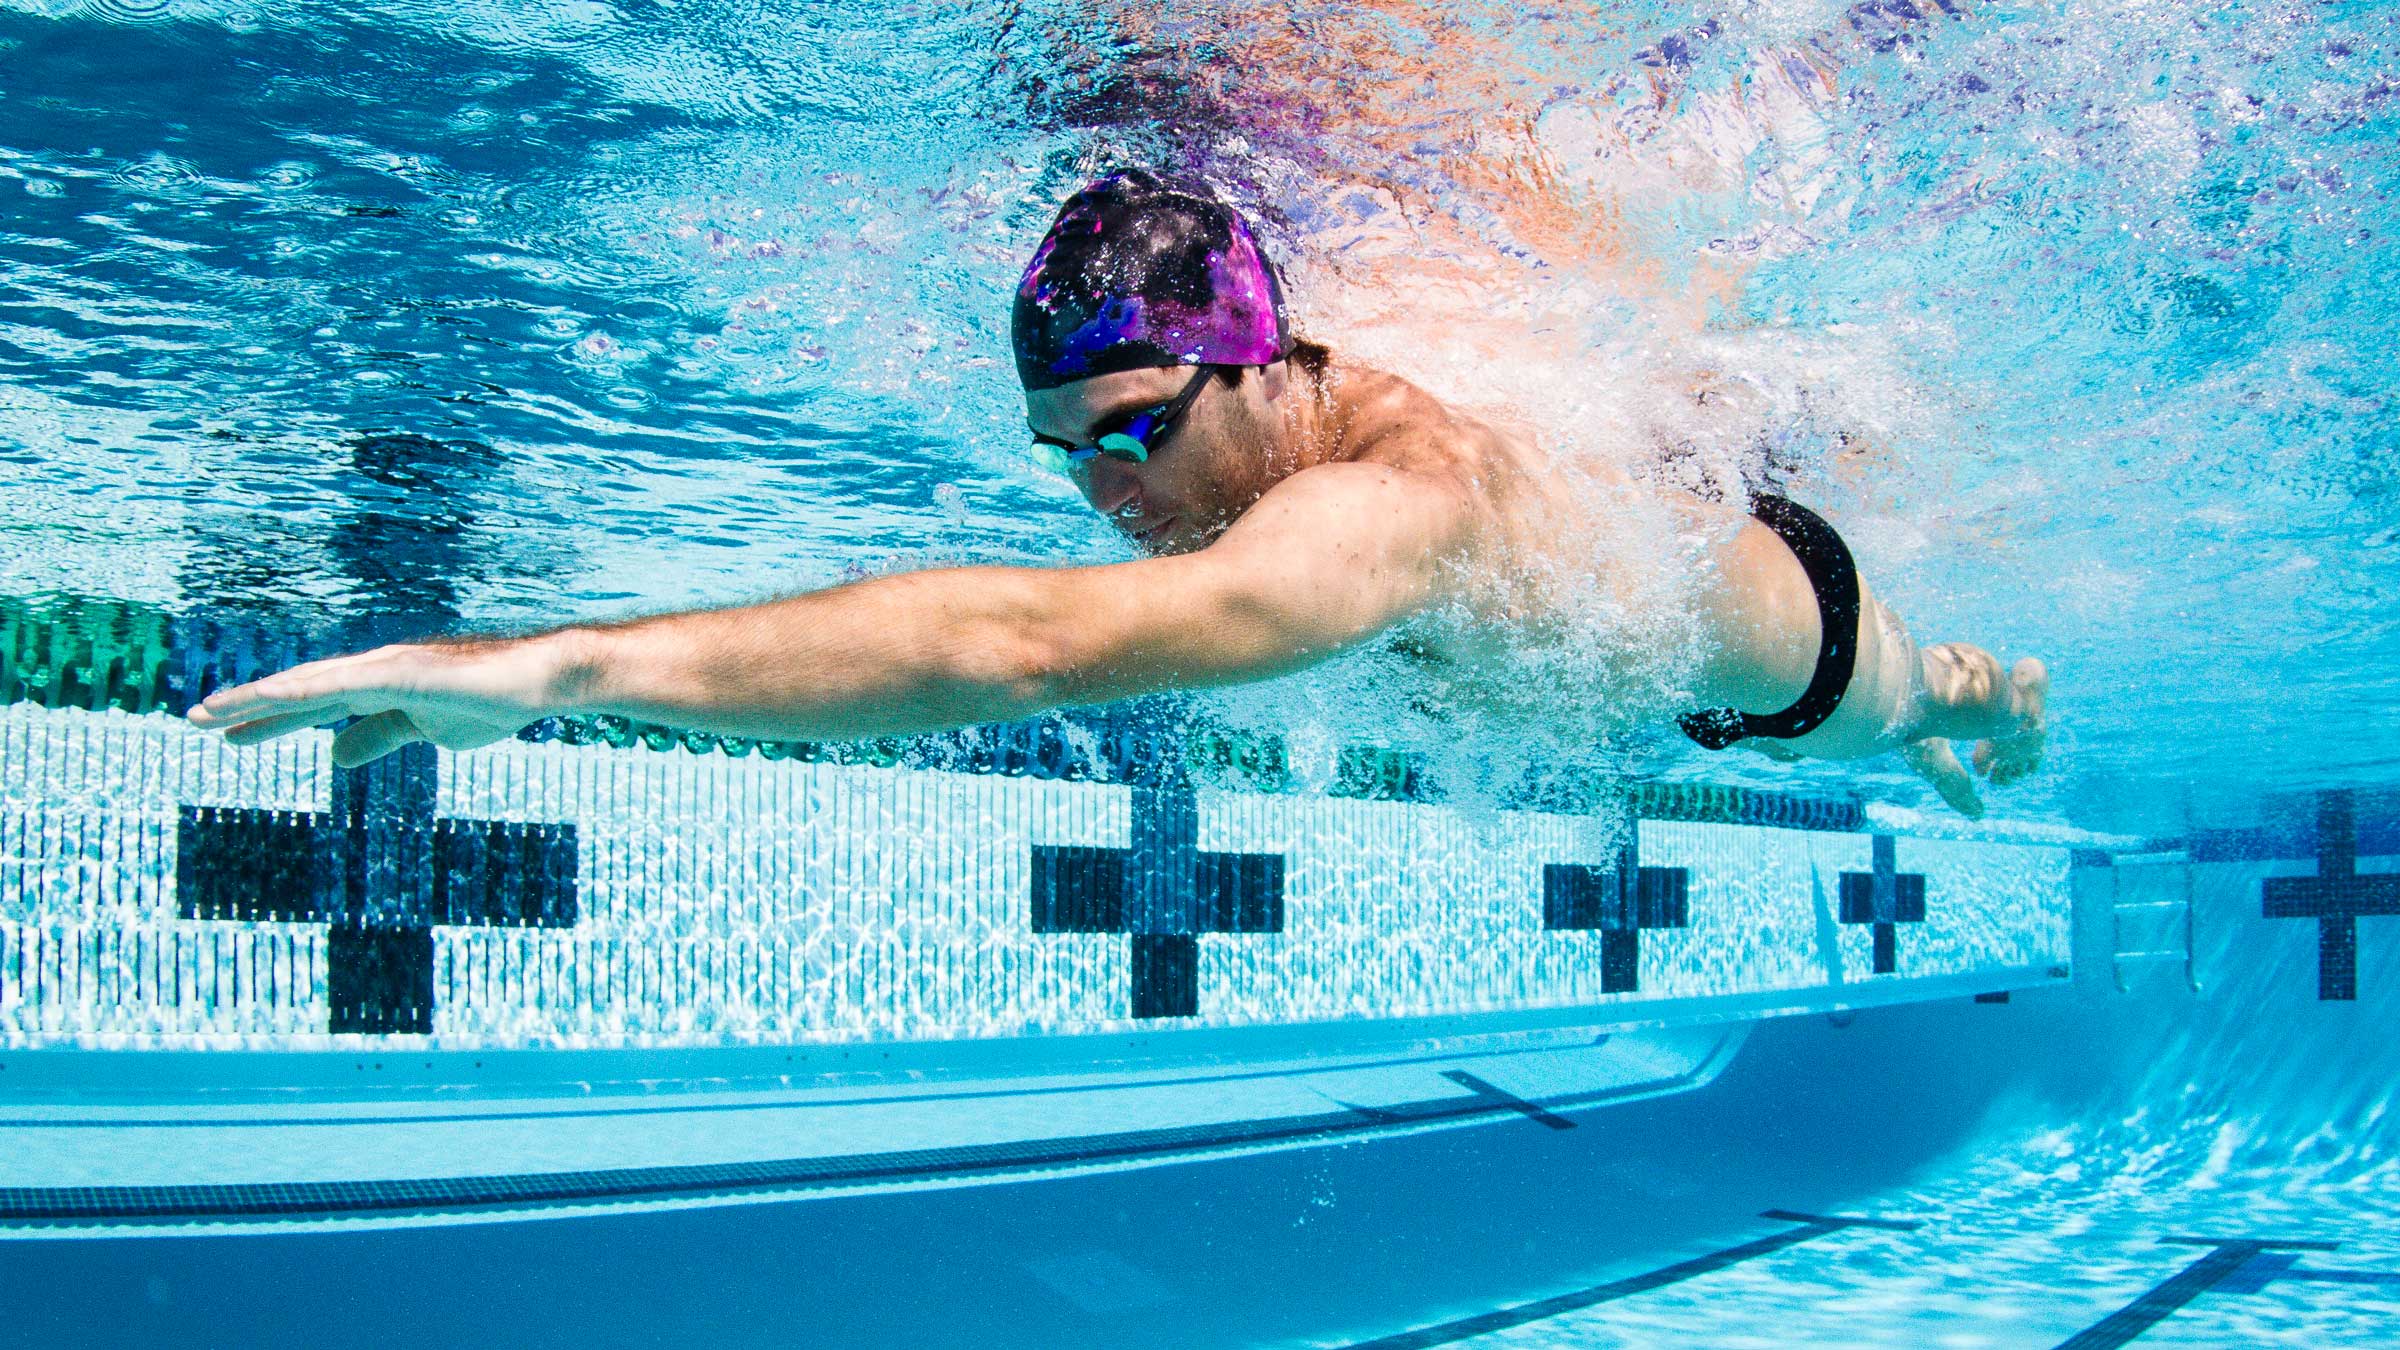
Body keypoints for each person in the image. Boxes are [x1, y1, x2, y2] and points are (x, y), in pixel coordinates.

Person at [188, 171, 2045, 816]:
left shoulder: (1392, 505)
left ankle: (1975, 700)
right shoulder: (1247, 442)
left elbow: (1018, 639)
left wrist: (550, 674)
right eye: (1058, 453)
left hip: (1773, 642)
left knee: (1907, 720)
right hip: (1632, 673)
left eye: (1135, 431)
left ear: (1255, 360)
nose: (1099, 491)